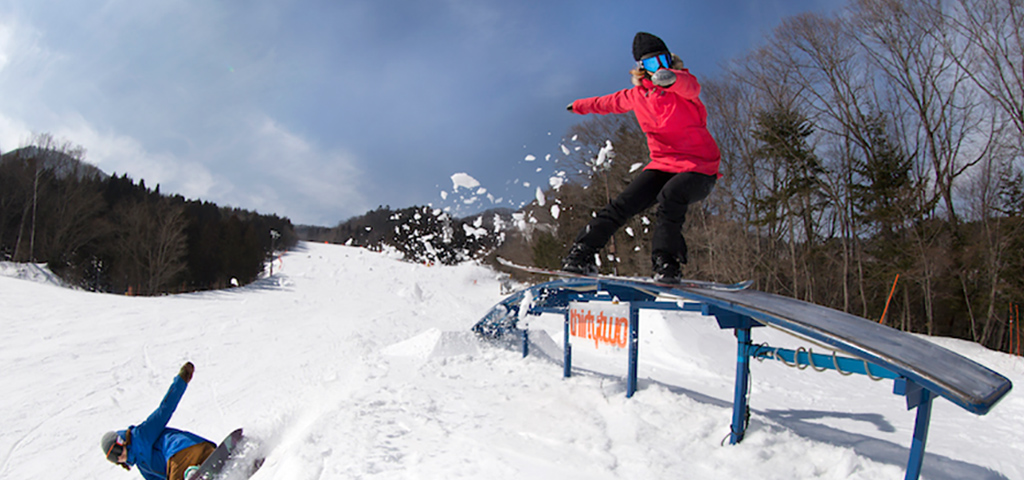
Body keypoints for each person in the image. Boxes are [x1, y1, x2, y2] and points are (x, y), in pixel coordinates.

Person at [562, 31, 721, 282]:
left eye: (663, 60)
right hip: (663, 165)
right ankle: (582, 252)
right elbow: (608, 102)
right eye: (650, 64)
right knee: (624, 203)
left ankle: (665, 262)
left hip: (699, 168)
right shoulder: (637, 96)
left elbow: (691, 87)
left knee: (671, 196)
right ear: (641, 68)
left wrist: (672, 78)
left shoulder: (683, 86)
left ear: (671, 60)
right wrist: (580, 105)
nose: (658, 68)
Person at [101, 362, 217, 480]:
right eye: (114, 458)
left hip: (182, 451)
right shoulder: (143, 468)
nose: (119, 457)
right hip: (205, 455)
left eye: (116, 450)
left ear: (122, 441)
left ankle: (191, 473)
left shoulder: (140, 435)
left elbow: (165, 410)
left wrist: (181, 380)